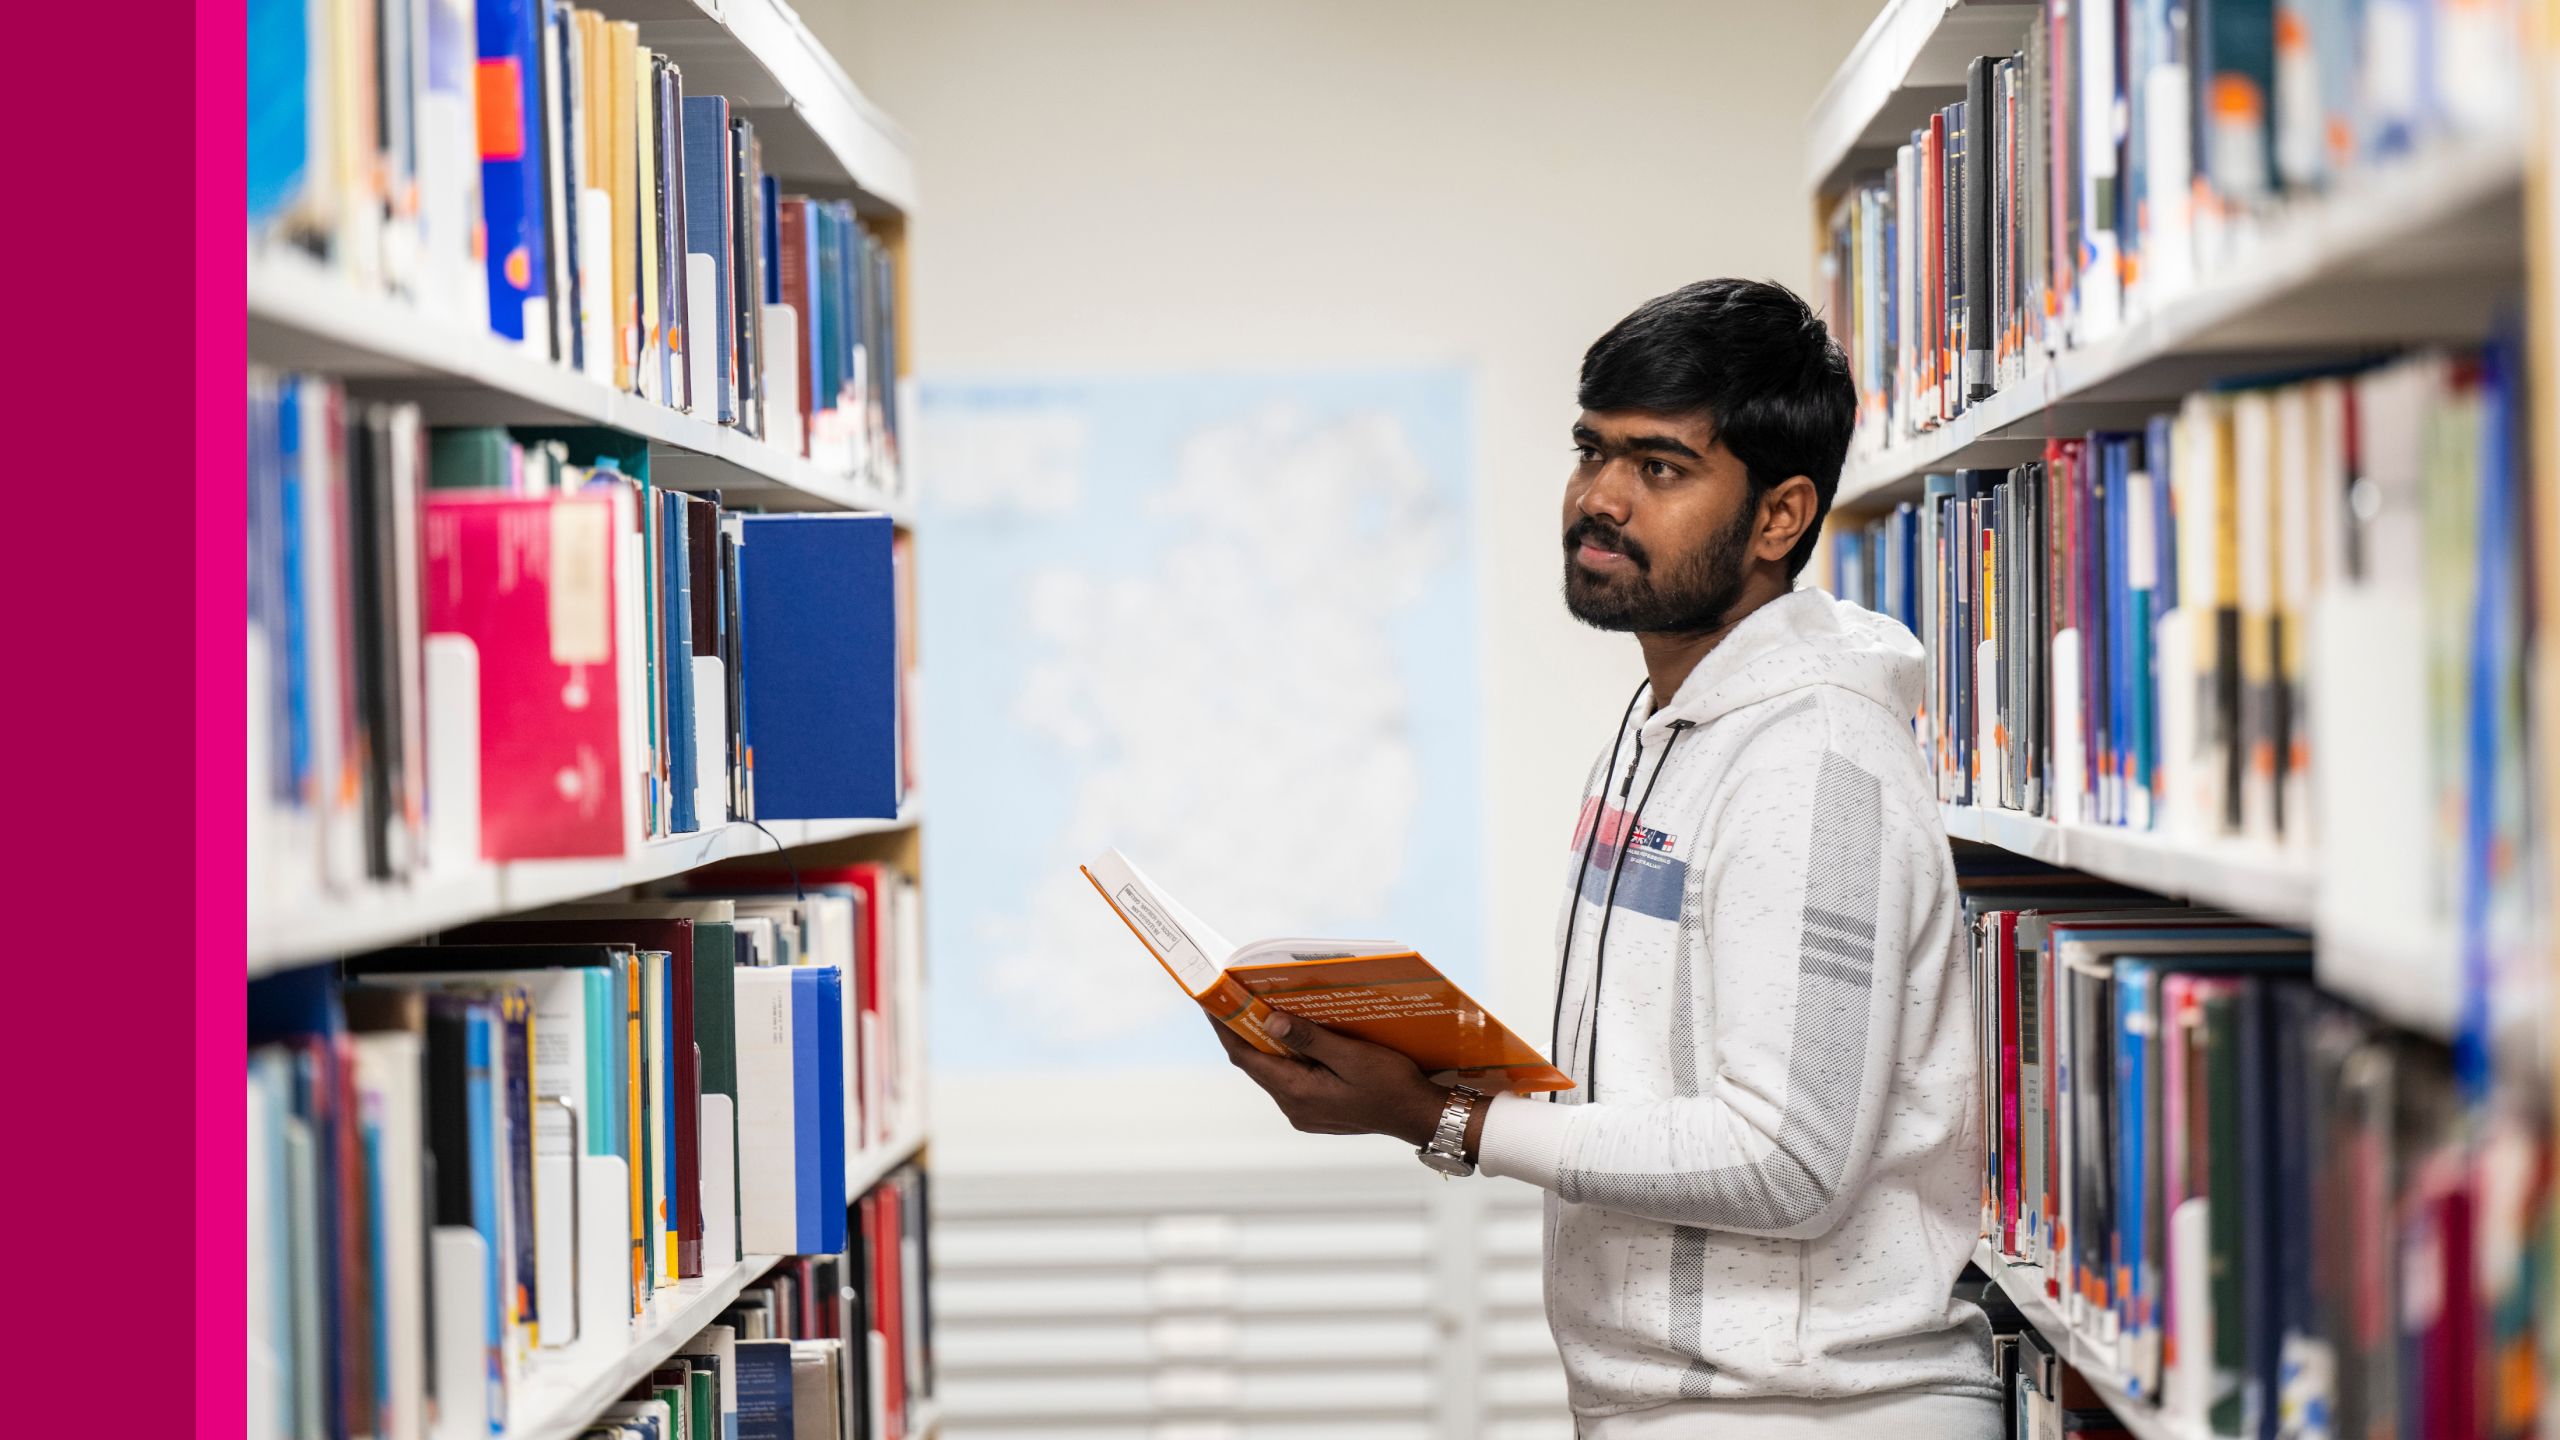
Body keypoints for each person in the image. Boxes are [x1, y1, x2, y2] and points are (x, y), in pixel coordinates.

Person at [1212, 279, 1996, 1436]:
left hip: (1810, 1413)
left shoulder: (1811, 762)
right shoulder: (1664, 725)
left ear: (1778, 518)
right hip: (1687, 1402)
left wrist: (1441, 1120)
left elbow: (1785, 1156)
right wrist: (1423, 1067)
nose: (1599, 498)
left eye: (1659, 467)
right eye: (1591, 451)